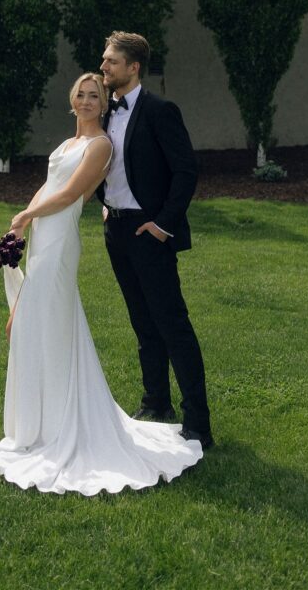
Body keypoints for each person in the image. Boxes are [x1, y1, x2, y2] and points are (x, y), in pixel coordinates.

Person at [0, 73, 203, 495]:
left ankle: (61, 423)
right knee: (38, 322)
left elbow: (71, 194)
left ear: (103, 103)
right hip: (41, 237)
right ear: (71, 100)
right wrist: (22, 219)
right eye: (81, 94)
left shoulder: (100, 145)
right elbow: (49, 185)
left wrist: (28, 217)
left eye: (95, 95)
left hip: (59, 239)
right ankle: (41, 420)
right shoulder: (68, 144)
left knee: (42, 316)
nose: (87, 100)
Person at [98, 31, 213, 448]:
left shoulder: (161, 111)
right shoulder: (105, 112)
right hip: (117, 231)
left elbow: (186, 172)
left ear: (133, 67)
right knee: (142, 323)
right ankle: (156, 403)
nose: (104, 67)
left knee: (172, 325)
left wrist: (163, 225)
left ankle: (198, 423)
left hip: (150, 232)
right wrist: (105, 202)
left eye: (111, 61)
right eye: (104, 60)